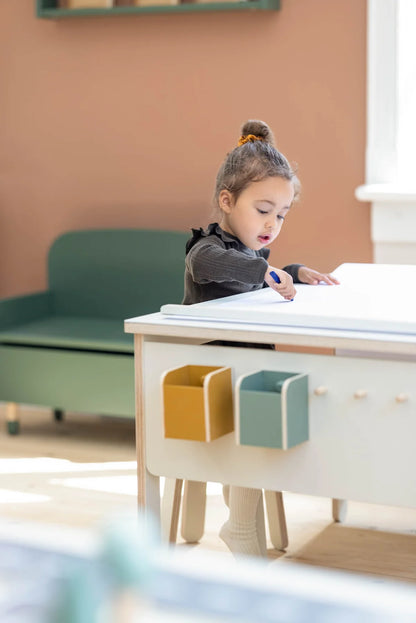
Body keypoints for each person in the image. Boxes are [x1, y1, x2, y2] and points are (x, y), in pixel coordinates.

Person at [183, 119, 339, 557]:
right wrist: (267, 272)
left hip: (244, 378)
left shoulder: (250, 255)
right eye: (264, 209)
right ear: (227, 201)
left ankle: (241, 518)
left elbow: (253, 279)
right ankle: (243, 530)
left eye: (282, 214)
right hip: (211, 381)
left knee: (272, 420)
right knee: (261, 425)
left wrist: (293, 272)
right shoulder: (208, 250)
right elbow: (215, 268)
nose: (273, 222)